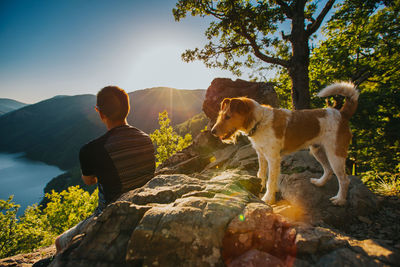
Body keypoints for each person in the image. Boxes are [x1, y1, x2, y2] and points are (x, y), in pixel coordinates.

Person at [55, 86, 155, 253]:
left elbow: (89, 181)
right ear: (127, 109)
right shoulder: (146, 139)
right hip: (145, 207)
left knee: (59, 243)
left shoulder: (91, 149)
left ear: (99, 112)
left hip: (109, 216)